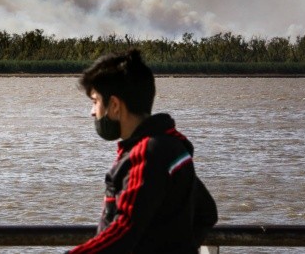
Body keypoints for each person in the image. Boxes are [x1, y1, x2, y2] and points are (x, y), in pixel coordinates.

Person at [66, 49, 217, 254]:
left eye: (95, 101)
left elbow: (125, 229)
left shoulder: (144, 154)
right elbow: (206, 212)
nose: (92, 112)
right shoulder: (172, 147)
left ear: (115, 105)